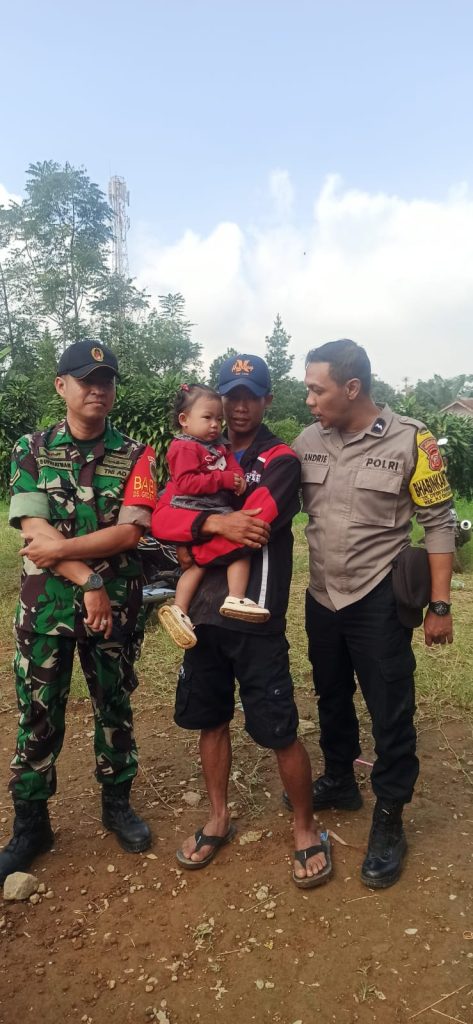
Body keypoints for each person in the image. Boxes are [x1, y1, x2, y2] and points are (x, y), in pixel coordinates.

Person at [152, 353, 332, 888]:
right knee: (211, 720)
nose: (240, 405)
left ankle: (304, 828)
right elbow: (162, 516)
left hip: (255, 614)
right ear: (220, 400)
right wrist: (211, 522)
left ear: (266, 400)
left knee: (279, 728)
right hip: (202, 621)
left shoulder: (280, 459)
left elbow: (255, 524)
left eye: (251, 395)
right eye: (232, 395)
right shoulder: (200, 450)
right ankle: (218, 818)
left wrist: (197, 531)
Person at [290, 338, 455, 888]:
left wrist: (439, 605)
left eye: (317, 388)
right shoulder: (307, 441)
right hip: (322, 597)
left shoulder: (413, 439)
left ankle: (390, 816)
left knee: (390, 707)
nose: (309, 399)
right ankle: (340, 777)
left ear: (352, 388)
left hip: (377, 598)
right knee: (330, 693)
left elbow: (438, 523)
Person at [0, 340, 157, 885]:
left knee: (114, 706)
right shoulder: (31, 448)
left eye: (106, 380)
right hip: (46, 611)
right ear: (60, 386)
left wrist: (72, 560)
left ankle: (117, 806)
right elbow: (32, 531)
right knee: (38, 713)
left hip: (114, 610)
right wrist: (89, 578)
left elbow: (131, 530)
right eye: (86, 378)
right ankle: (32, 824)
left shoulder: (137, 454)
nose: (98, 388)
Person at [158, 382, 270, 650]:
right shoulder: (184, 447)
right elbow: (185, 483)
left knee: (197, 564)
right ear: (184, 420)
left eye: (219, 419)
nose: (215, 425)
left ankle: (181, 609)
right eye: (207, 418)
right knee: (240, 546)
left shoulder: (220, 445)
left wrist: (238, 479)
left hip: (211, 506)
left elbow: (232, 468)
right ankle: (235, 596)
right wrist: (223, 480)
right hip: (193, 505)